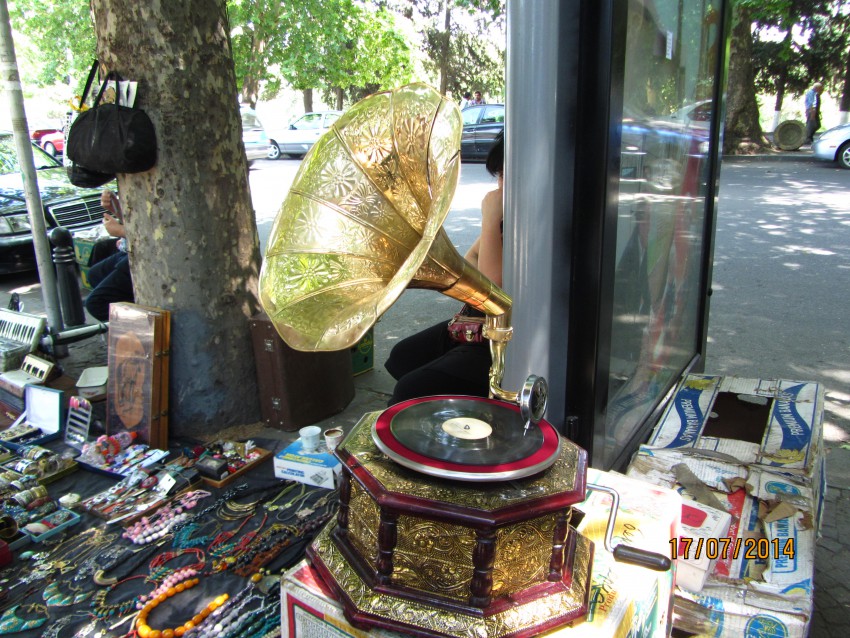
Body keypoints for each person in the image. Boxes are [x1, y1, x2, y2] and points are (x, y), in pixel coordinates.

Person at [385, 132, 504, 405]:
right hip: (477, 326)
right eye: (499, 174)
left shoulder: (527, 224)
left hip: (500, 342)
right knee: (402, 356)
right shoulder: (506, 220)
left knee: (408, 390)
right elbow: (471, 258)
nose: (499, 186)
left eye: (506, 175)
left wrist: (489, 220)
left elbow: (492, 290)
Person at [85, 189, 134, 322]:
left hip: (144, 256)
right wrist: (116, 208)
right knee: (94, 275)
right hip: (127, 249)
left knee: (96, 304)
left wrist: (122, 231)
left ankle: (150, 325)